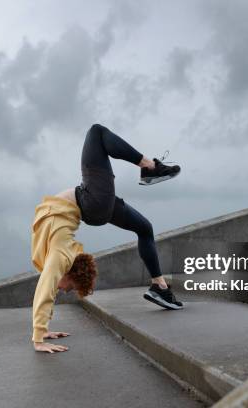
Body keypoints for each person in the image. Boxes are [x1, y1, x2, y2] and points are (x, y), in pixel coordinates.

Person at [30, 123, 182, 353]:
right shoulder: (61, 257)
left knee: (144, 228)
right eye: (70, 288)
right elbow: (47, 290)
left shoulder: (58, 259)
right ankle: (150, 167)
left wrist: (40, 335)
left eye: (67, 289)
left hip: (93, 204)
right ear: (69, 270)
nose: (63, 290)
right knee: (96, 132)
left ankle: (159, 287)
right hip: (93, 202)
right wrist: (39, 337)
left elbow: (46, 289)